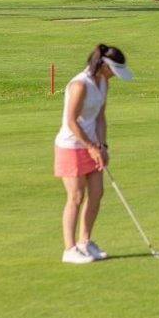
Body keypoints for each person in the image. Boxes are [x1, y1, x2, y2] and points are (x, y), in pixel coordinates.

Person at [53, 44, 133, 264]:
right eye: (113, 71)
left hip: (91, 145)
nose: (115, 76)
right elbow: (71, 121)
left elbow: (99, 117)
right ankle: (69, 250)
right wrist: (90, 146)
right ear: (104, 65)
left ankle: (85, 243)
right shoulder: (80, 85)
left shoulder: (103, 82)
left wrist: (102, 146)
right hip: (70, 146)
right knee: (76, 197)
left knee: (96, 193)